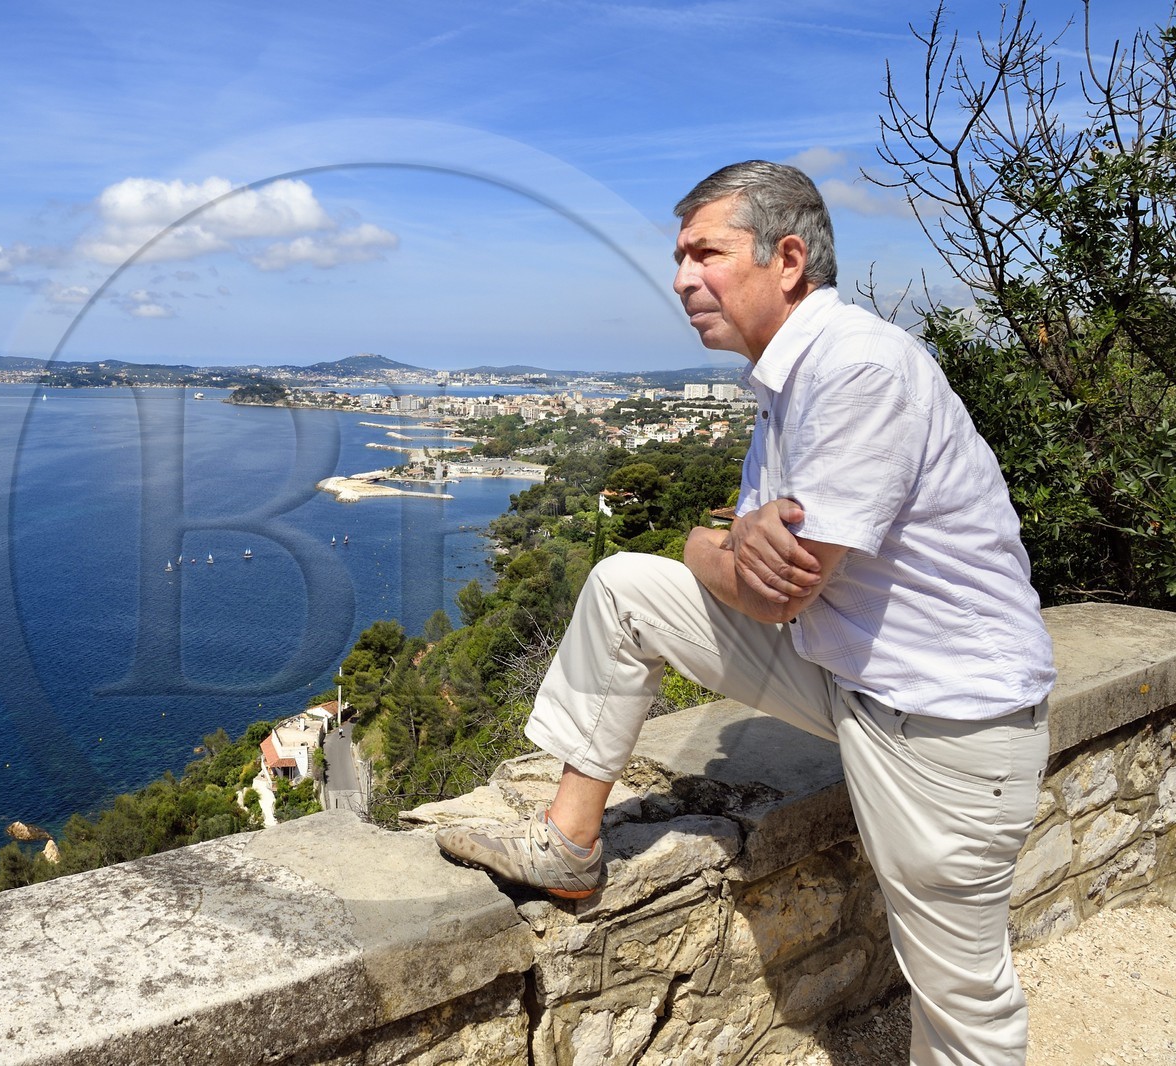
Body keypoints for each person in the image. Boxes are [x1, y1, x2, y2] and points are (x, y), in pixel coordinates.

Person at [436, 160, 1056, 1066]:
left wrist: (720, 546)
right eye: (679, 257)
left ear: (789, 258)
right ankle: (569, 844)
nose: (682, 278)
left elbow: (778, 585)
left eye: (705, 253)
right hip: (854, 675)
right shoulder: (785, 385)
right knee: (623, 588)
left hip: (947, 724)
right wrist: (708, 541)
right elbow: (739, 553)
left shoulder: (856, 369)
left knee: (961, 998)